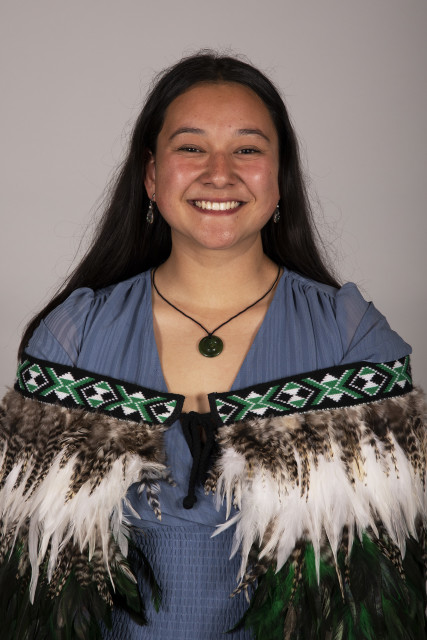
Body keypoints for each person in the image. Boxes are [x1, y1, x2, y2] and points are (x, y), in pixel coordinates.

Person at [0, 52, 425, 640]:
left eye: (247, 149)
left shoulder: (350, 340)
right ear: (152, 176)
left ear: (280, 177)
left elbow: (381, 605)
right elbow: (30, 603)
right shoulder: (73, 341)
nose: (219, 173)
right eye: (191, 147)